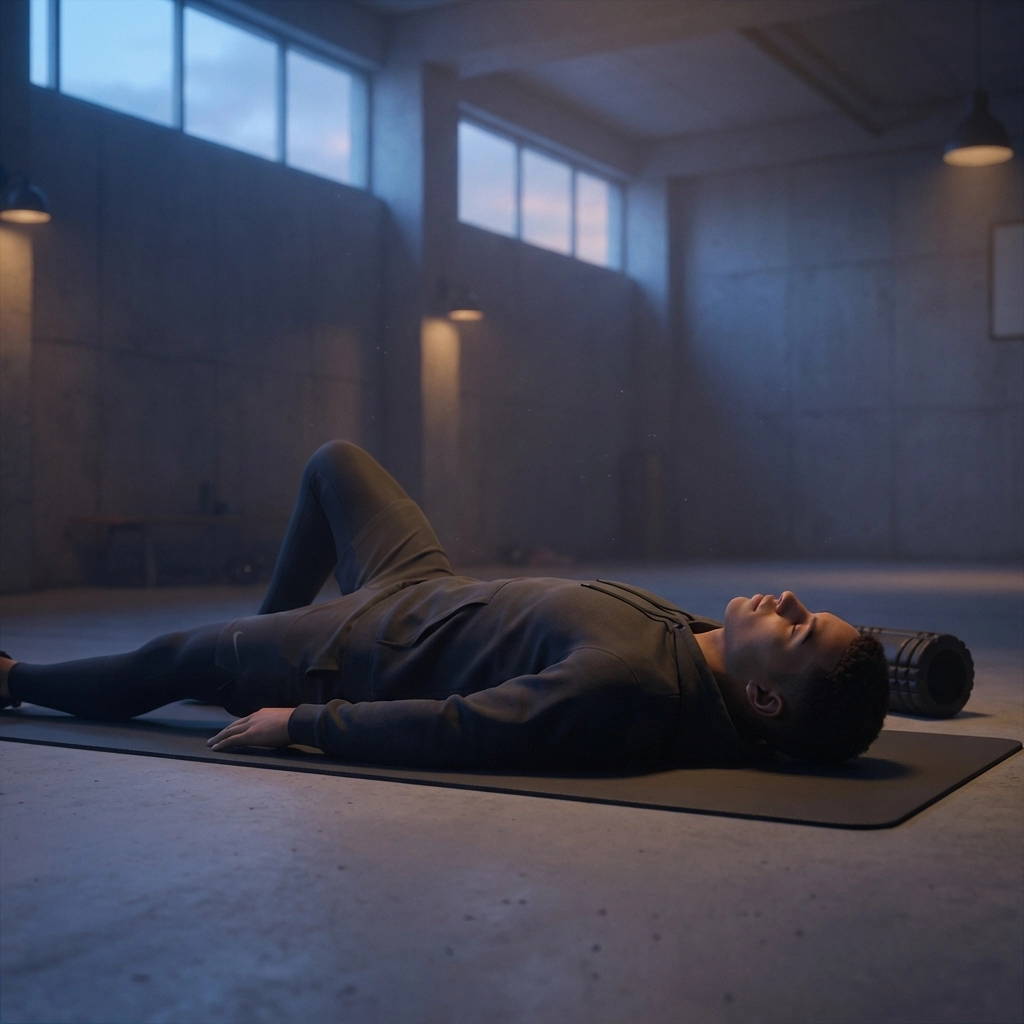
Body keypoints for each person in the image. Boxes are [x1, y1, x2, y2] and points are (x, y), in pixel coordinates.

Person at [0, 441, 890, 770]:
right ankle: (250, 646)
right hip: (427, 585)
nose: (787, 598)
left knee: (172, 658)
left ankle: (13, 677)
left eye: (799, 625)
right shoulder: (701, 647)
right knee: (335, 463)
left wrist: (307, 723)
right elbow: (810, 694)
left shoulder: (633, 693)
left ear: (766, 699)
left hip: (361, 644)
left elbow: (466, 728)